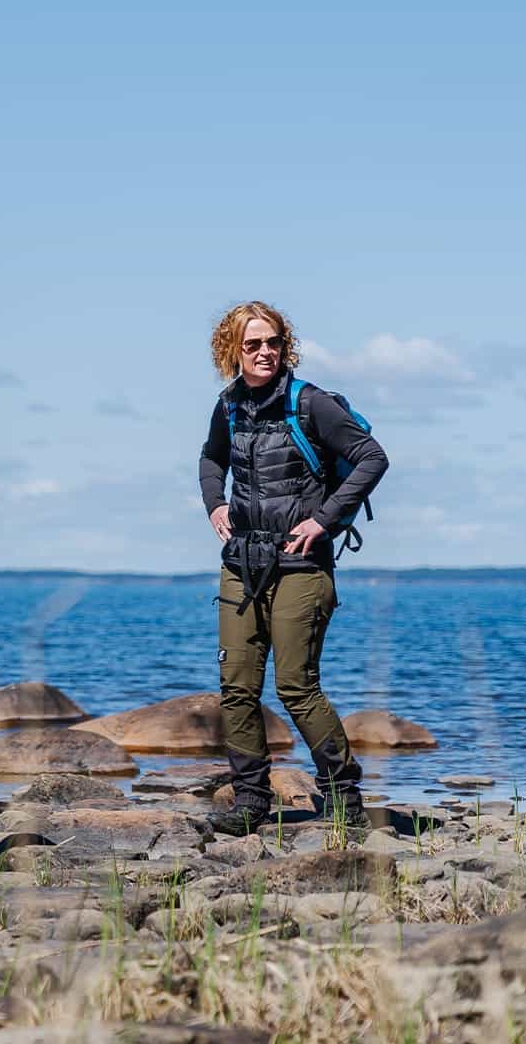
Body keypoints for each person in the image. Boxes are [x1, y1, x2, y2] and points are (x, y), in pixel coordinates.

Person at [198, 300, 387, 836]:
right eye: (252, 344)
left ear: (286, 347)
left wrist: (324, 520)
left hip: (301, 566)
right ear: (232, 350)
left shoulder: (311, 404)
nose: (265, 352)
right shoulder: (228, 406)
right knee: (236, 687)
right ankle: (252, 799)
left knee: (295, 686)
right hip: (241, 564)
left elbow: (373, 457)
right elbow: (211, 459)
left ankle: (343, 795)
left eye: (273, 343)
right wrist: (215, 502)